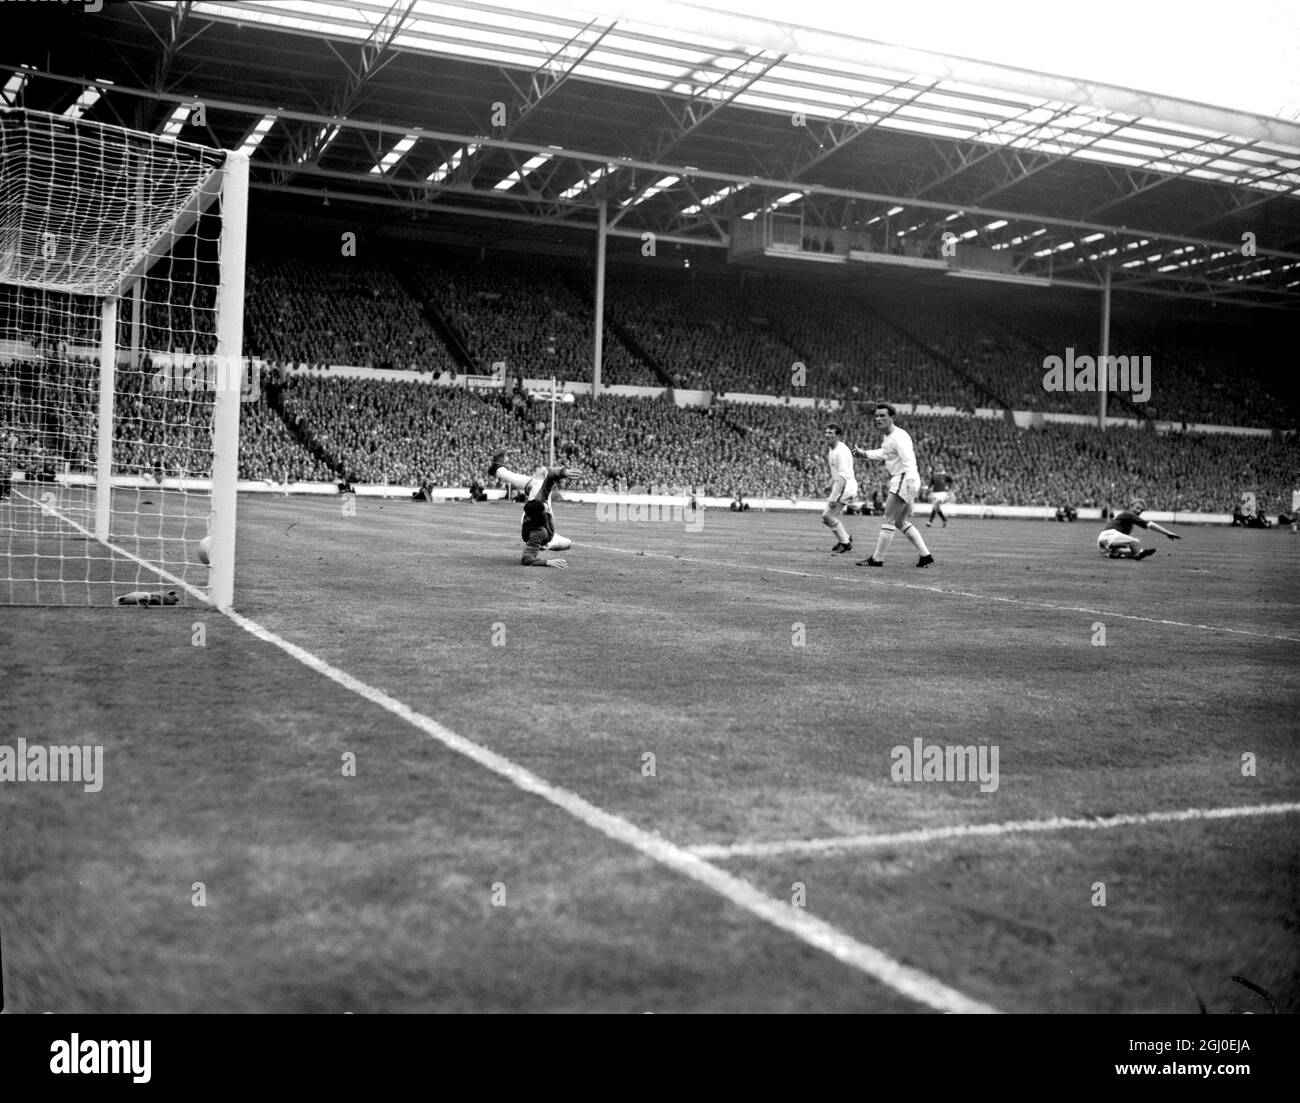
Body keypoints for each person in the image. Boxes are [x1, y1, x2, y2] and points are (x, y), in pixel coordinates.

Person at [852, 403, 933, 567]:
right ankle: (925, 555)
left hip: (905, 478)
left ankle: (877, 559)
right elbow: (884, 453)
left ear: (892, 418)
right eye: (876, 416)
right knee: (900, 521)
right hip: (907, 478)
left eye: (882, 415)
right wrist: (865, 454)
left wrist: (910, 482)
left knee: (888, 518)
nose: (878, 419)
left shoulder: (899, 436)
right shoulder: (889, 437)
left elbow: (909, 459)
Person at [488, 451, 577, 565]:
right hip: (538, 530)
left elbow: (550, 477)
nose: (547, 506)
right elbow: (527, 559)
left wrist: (565, 472)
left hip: (537, 520)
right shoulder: (539, 532)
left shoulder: (540, 499)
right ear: (543, 512)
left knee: (568, 543)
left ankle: (497, 470)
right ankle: (498, 470)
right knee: (537, 483)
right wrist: (548, 562)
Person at [1096, 498, 1180, 560]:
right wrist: (1167, 532)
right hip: (1109, 536)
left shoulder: (1127, 519)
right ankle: (1139, 553)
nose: (1139, 511)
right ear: (1131, 506)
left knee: (1129, 550)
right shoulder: (1128, 513)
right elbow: (1149, 524)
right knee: (1135, 541)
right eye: (1137, 508)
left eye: (1141, 510)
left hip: (1103, 544)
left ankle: (1117, 554)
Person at [821, 423, 858, 554]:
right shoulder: (833, 448)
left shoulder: (840, 452)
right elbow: (838, 472)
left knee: (827, 516)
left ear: (838, 436)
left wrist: (833, 496)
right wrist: (830, 484)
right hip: (841, 485)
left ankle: (845, 542)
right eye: (826, 432)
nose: (827, 435)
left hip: (846, 487)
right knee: (826, 517)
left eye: (831, 433)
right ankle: (846, 539)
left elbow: (843, 476)